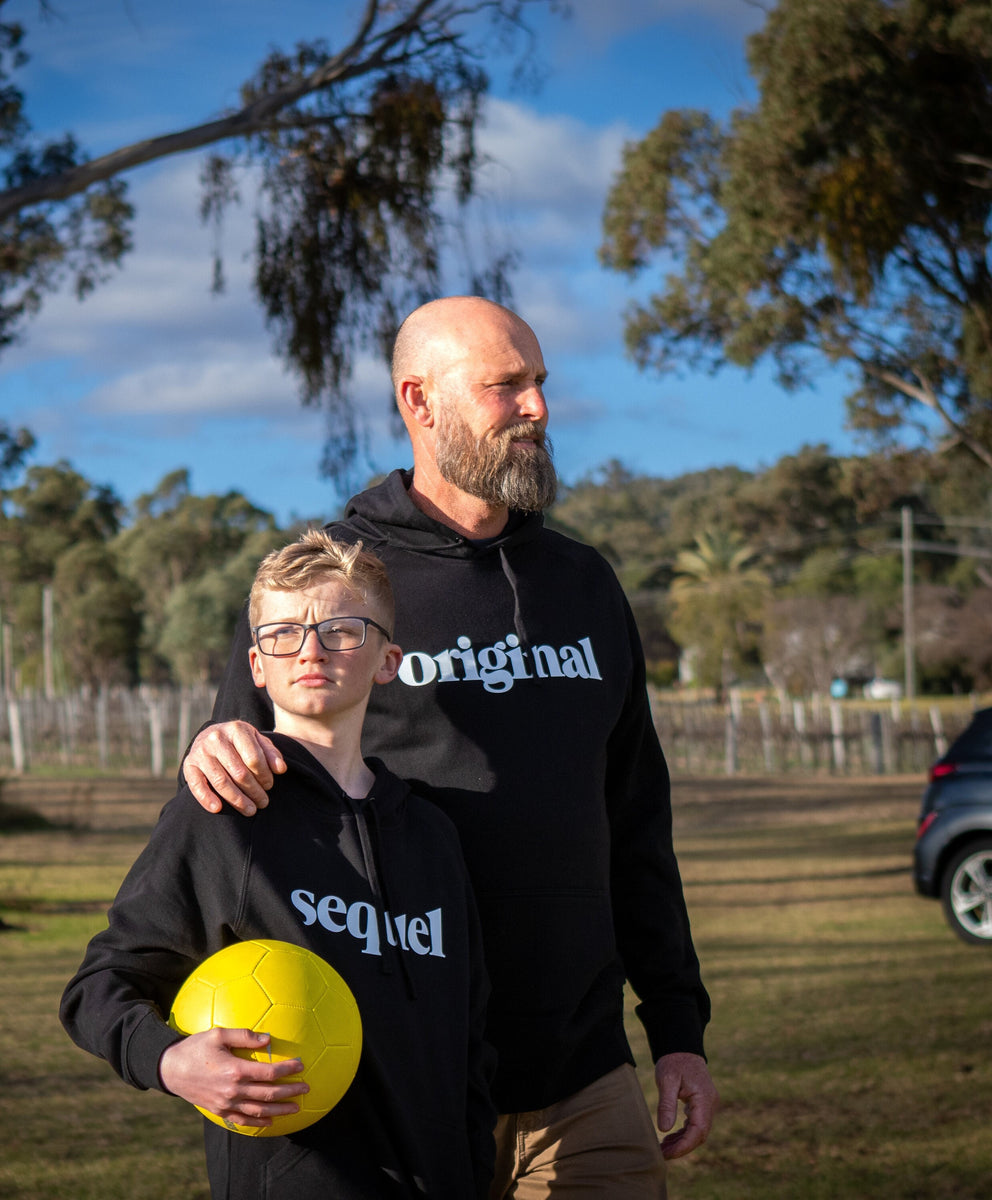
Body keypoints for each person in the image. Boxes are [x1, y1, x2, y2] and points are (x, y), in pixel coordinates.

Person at [181, 296, 720, 1198]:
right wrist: (213, 748)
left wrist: (676, 1028)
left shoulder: (583, 585)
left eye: (540, 383)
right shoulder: (339, 580)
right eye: (505, 387)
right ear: (419, 402)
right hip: (397, 1087)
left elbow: (635, 822)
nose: (538, 408)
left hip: (581, 1079)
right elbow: (237, 780)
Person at [61, 530, 497, 1198]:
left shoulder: (433, 837)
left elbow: (469, 1047)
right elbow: (98, 986)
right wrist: (172, 1059)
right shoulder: (225, 815)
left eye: (343, 630)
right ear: (257, 666)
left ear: (388, 660)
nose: (311, 650)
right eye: (284, 634)